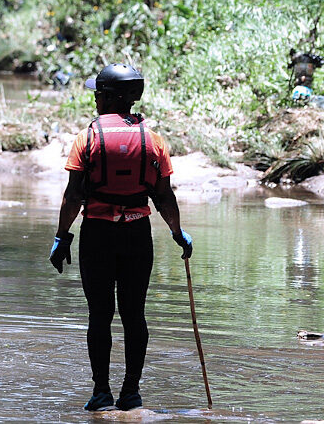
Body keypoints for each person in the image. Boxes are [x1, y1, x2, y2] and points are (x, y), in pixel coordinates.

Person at [49, 63, 193, 412]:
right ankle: (131, 393)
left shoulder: (87, 139)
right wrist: (177, 232)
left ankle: (101, 392)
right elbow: (164, 196)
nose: (95, 99)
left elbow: (73, 196)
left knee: (99, 314)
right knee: (134, 314)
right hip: (137, 236)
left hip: (97, 235)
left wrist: (62, 237)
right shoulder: (153, 141)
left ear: (110, 98)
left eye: (98, 94)